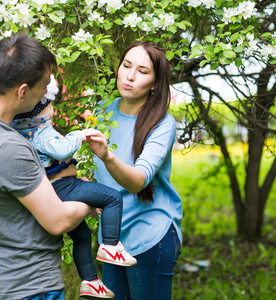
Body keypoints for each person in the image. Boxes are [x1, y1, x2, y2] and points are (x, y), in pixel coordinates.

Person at [0, 34, 95, 300]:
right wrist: (91, 196)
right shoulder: (8, 147)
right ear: (23, 91)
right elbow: (58, 220)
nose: (46, 97)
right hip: (29, 286)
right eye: (44, 88)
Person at [11, 75, 137, 299]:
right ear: (39, 109)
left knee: (81, 236)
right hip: (63, 187)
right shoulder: (40, 130)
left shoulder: (21, 130)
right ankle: (110, 245)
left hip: (51, 190)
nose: (52, 108)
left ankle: (90, 281)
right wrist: (79, 135)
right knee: (113, 198)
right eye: (49, 104)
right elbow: (61, 151)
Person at [86, 41, 183, 300]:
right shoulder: (102, 112)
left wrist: (107, 156)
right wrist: (92, 192)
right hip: (113, 239)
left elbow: (138, 181)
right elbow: (89, 170)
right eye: (126, 66)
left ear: (154, 83)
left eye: (142, 71)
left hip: (151, 236)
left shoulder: (162, 123)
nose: (129, 76)